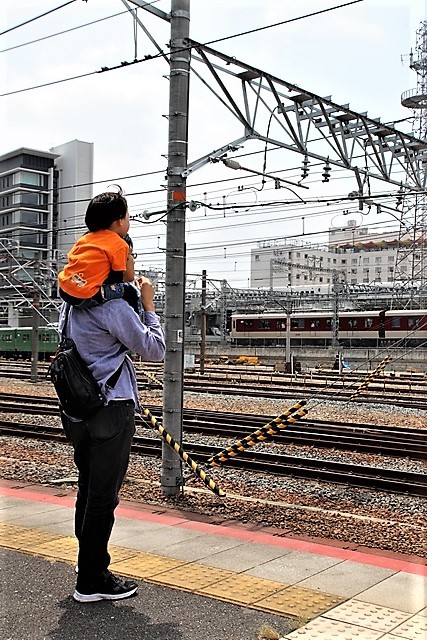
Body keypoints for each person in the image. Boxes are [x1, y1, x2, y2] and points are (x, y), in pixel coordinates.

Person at [59, 275, 165, 603]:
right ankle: (92, 581)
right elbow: (154, 349)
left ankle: (86, 562)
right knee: (103, 498)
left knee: (88, 488)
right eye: (129, 255)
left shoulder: (72, 303)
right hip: (110, 409)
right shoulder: (114, 306)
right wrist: (148, 306)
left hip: (77, 409)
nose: (134, 264)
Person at [58, 188, 136, 309]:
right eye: (128, 217)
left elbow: (71, 258)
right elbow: (118, 277)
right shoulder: (119, 244)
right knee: (131, 291)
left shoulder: (85, 238)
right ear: (120, 221)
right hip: (85, 296)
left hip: (64, 288)